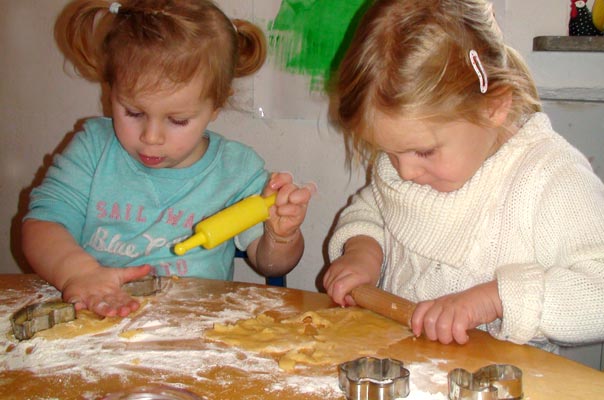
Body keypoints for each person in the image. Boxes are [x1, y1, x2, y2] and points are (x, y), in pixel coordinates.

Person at [323, 0, 604, 351]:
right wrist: (363, 252)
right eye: (389, 153)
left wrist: (495, 299)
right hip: (404, 368)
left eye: (423, 152)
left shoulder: (550, 178)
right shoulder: (409, 169)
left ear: (494, 107)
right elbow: (372, 209)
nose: (405, 171)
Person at [22, 0, 315, 318]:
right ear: (110, 91)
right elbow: (42, 226)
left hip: (191, 331)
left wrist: (280, 236)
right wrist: (78, 274)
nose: (151, 136)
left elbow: (270, 263)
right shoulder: (93, 149)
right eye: (133, 112)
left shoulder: (238, 171)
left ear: (215, 106)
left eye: (177, 120)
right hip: (94, 319)